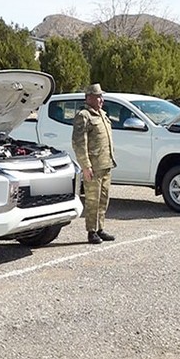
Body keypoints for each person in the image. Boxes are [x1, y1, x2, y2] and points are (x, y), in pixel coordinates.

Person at [72, 83, 116, 244]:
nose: (101, 100)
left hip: (105, 164)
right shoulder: (84, 116)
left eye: (101, 96)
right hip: (93, 167)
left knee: (103, 199)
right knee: (93, 200)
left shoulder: (102, 115)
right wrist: (85, 166)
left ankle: (100, 228)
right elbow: (79, 143)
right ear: (89, 98)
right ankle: (91, 231)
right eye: (98, 97)